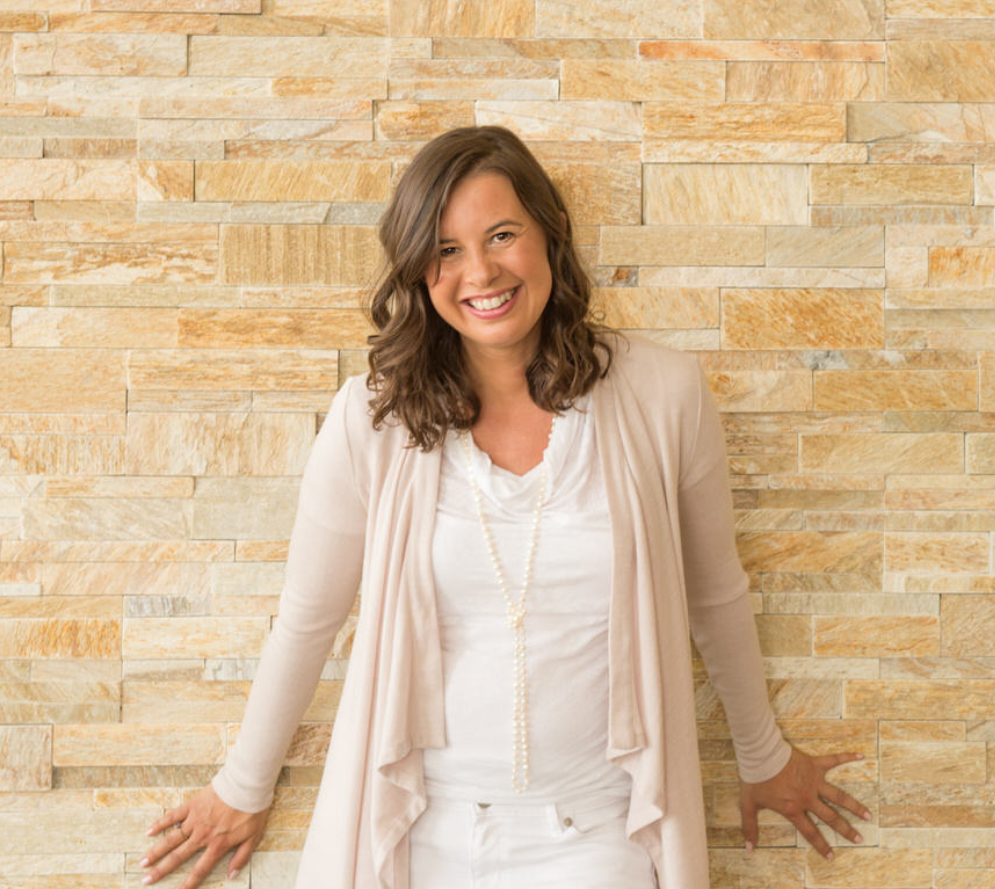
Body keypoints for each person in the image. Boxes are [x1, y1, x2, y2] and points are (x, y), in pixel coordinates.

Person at [139, 126, 870, 888]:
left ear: (551, 234)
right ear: (418, 269)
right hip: (421, 830)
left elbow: (715, 594)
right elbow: (307, 617)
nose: (481, 272)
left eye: (502, 235)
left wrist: (762, 755)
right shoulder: (372, 418)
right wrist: (243, 786)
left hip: (597, 833)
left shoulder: (664, 394)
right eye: (446, 250)